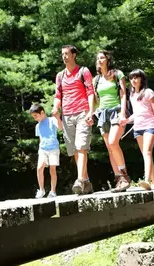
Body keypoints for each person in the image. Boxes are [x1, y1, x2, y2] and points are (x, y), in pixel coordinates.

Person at [52, 44, 95, 195]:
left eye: (66, 54)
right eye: (62, 54)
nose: (64, 56)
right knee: (75, 151)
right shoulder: (60, 76)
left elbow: (90, 92)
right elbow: (58, 96)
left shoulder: (83, 71)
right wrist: (55, 108)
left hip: (83, 112)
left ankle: (80, 180)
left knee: (81, 146)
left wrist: (90, 111)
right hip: (67, 115)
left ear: (73, 55)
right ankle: (86, 182)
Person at [94, 50, 131, 192]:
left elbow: (123, 94)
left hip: (116, 111)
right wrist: (92, 112)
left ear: (108, 59)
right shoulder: (96, 79)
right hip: (102, 114)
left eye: (102, 57)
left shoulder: (117, 74)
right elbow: (96, 100)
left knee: (113, 142)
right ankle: (119, 180)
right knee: (110, 150)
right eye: (98, 58)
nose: (99, 60)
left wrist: (122, 113)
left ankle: (124, 176)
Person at [123, 69, 154, 190]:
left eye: (136, 77)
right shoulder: (132, 94)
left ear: (142, 79)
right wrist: (126, 121)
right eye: (131, 78)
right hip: (138, 127)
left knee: (147, 152)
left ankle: (146, 180)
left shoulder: (148, 92)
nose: (133, 80)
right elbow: (136, 113)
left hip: (150, 126)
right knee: (146, 155)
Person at [30, 103, 63, 198]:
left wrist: (57, 117)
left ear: (42, 112)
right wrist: (40, 149)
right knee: (39, 168)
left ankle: (53, 191)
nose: (35, 118)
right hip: (43, 149)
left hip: (53, 148)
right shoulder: (37, 126)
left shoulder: (52, 120)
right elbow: (41, 138)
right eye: (33, 117)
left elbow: (60, 128)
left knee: (52, 170)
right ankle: (41, 190)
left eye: (36, 116)